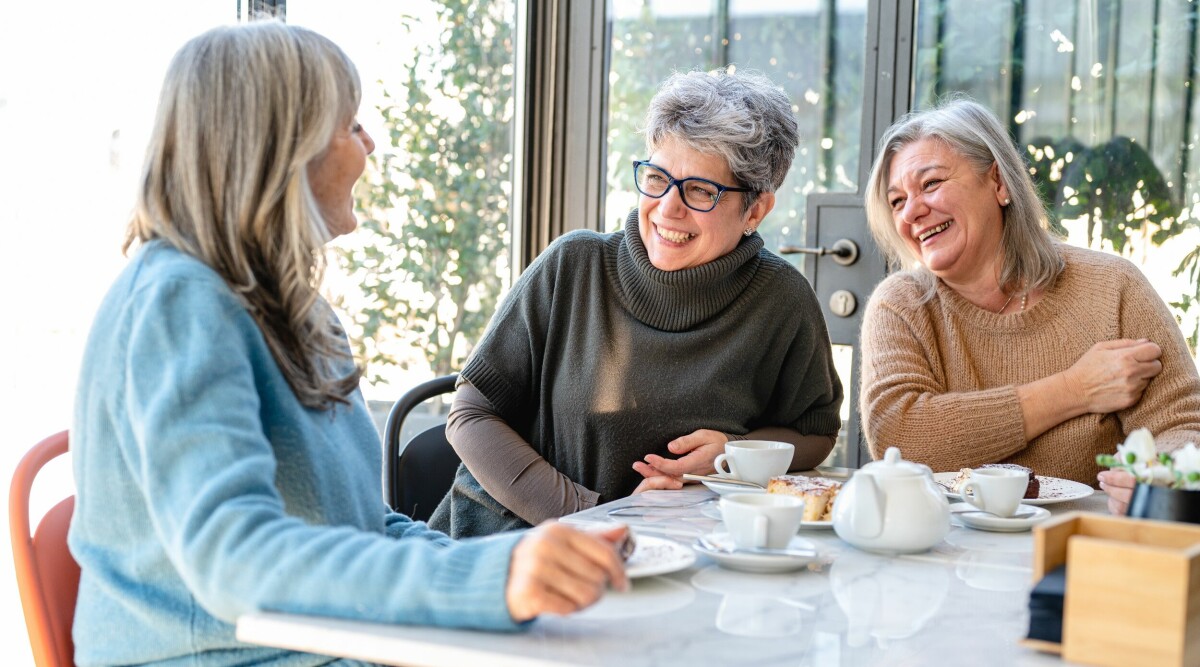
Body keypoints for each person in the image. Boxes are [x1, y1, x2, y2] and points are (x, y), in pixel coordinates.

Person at [69, 21, 629, 667]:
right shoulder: (180, 302)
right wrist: (488, 580)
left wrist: (512, 564)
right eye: (351, 125)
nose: (369, 145)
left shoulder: (299, 314)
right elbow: (231, 558)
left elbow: (365, 525)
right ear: (281, 148)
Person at [430, 69, 844, 538]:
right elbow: (470, 414)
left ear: (755, 210)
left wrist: (735, 452)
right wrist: (597, 515)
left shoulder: (781, 299)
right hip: (514, 545)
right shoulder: (574, 265)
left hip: (680, 556)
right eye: (656, 177)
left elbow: (814, 432)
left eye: (701, 191)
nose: (668, 207)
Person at [858, 96, 1200, 515]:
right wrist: (1077, 389)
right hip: (941, 548)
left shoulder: (1114, 287)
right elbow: (900, 437)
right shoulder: (901, 305)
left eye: (930, 184)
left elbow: (1182, 424)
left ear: (999, 183)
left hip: (1079, 545)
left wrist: (1155, 474)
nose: (912, 211)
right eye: (897, 201)